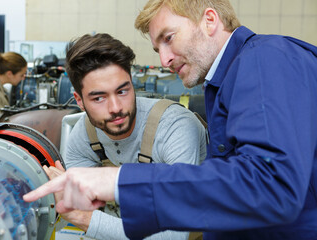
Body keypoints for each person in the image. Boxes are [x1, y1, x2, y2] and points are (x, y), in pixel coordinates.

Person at [24, 0, 317, 239]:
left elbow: (272, 185)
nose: (164, 60)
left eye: (169, 38)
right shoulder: (224, 84)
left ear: (210, 20)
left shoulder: (265, 58)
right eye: (157, 48)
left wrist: (118, 180)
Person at [46, 33, 206, 240]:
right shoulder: (84, 135)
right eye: (99, 97)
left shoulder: (174, 127)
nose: (116, 108)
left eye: (122, 91)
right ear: (79, 100)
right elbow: (80, 203)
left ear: (132, 84)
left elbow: (176, 234)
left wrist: (80, 216)